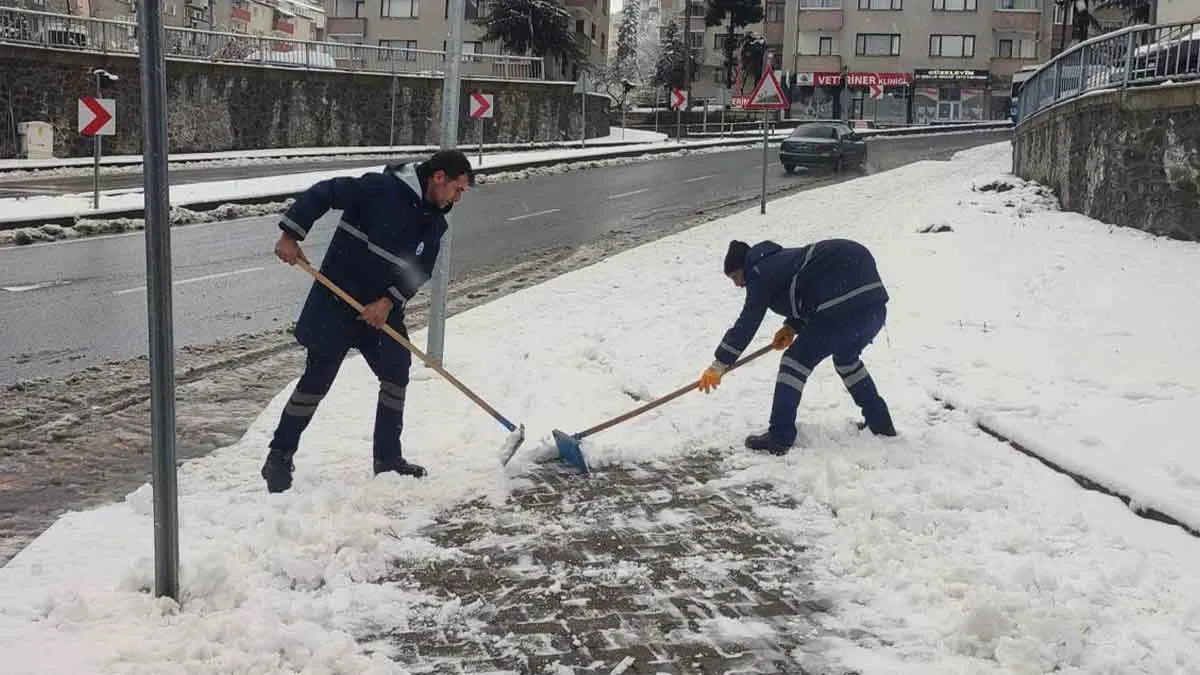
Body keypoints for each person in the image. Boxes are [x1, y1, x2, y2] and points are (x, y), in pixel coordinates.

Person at [260, 149, 474, 493]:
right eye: (457, 189)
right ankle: (279, 456)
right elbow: (324, 192)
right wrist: (291, 234)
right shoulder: (380, 189)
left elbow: (419, 272)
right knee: (317, 379)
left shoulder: (435, 223)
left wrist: (388, 301)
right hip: (335, 302)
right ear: (439, 178)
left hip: (379, 314)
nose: (458, 198)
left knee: (396, 371)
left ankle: (387, 460)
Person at [698, 238, 897, 454]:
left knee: (794, 362)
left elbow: (748, 321)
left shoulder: (758, 270)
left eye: (736, 277)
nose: (737, 284)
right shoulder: (783, 262)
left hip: (843, 307)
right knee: (846, 359)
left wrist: (719, 364)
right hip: (873, 308)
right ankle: (880, 423)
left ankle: (780, 436)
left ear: (744, 267)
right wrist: (791, 327)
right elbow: (811, 293)